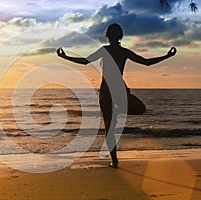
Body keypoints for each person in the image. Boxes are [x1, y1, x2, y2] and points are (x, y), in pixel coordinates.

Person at [57, 23, 177, 168]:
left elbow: (85, 62)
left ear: (109, 36)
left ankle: (115, 160)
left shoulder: (107, 50)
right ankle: (114, 158)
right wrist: (167, 56)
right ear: (119, 35)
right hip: (115, 91)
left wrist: (65, 57)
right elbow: (146, 63)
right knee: (120, 121)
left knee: (111, 128)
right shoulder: (119, 51)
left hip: (108, 92)